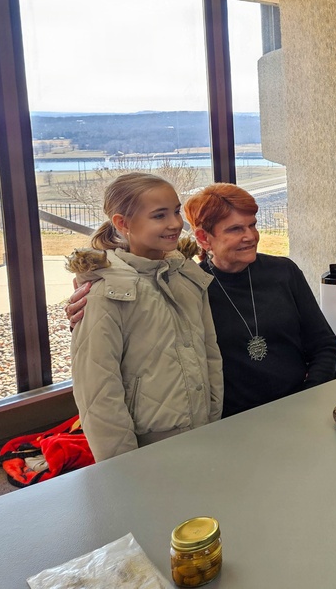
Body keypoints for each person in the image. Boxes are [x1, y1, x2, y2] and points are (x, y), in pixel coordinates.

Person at [69, 183, 336, 418]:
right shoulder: (189, 284)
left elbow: (323, 344)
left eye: (252, 225)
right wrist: (85, 317)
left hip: (299, 408)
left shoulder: (284, 272)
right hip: (226, 424)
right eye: (235, 229)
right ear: (203, 238)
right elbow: (144, 338)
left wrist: (310, 394)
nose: (250, 236)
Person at [67, 172, 222, 462]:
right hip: (148, 446)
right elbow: (98, 393)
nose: (175, 223)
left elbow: (209, 351)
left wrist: (213, 413)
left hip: (201, 431)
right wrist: (122, 465)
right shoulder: (105, 294)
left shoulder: (186, 275)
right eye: (159, 215)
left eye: (176, 211)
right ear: (122, 223)